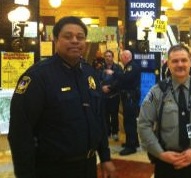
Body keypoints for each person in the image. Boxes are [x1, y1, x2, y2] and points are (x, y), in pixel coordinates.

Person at [8, 16, 116, 178]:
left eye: (80, 37)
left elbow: (98, 118)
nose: (75, 41)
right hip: (53, 169)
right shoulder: (38, 77)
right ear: (55, 39)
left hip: (88, 166)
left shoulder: (90, 74)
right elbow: (20, 132)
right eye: (68, 36)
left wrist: (105, 156)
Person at [138, 44, 191, 178]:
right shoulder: (156, 92)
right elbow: (143, 124)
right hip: (166, 162)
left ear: (190, 63)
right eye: (175, 61)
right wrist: (160, 153)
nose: (180, 64)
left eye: (184, 60)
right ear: (168, 64)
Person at [105, 50, 141, 156]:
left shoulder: (132, 66)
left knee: (129, 122)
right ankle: (134, 142)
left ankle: (131, 147)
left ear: (126, 57)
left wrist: (113, 73)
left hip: (130, 98)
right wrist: (111, 87)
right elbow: (122, 82)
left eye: (121, 57)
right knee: (130, 121)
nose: (120, 59)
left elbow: (125, 78)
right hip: (127, 97)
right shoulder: (128, 67)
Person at [101, 50, 123, 141]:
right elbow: (96, 79)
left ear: (112, 57)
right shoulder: (100, 68)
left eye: (109, 56)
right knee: (105, 115)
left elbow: (120, 80)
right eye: (106, 56)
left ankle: (114, 132)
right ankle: (107, 132)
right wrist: (101, 87)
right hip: (103, 96)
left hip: (114, 95)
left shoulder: (117, 68)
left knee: (114, 115)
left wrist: (109, 88)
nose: (107, 58)